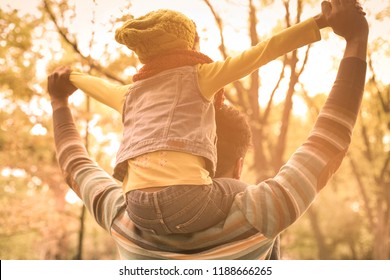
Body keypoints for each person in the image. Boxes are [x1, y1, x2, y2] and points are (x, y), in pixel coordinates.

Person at [48, 0, 368, 259]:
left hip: (140, 208)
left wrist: (60, 100)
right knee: (239, 192)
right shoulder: (262, 214)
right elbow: (329, 139)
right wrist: (354, 39)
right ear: (238, 164)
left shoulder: (122, 218)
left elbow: (75, 164)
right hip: (207, 200)